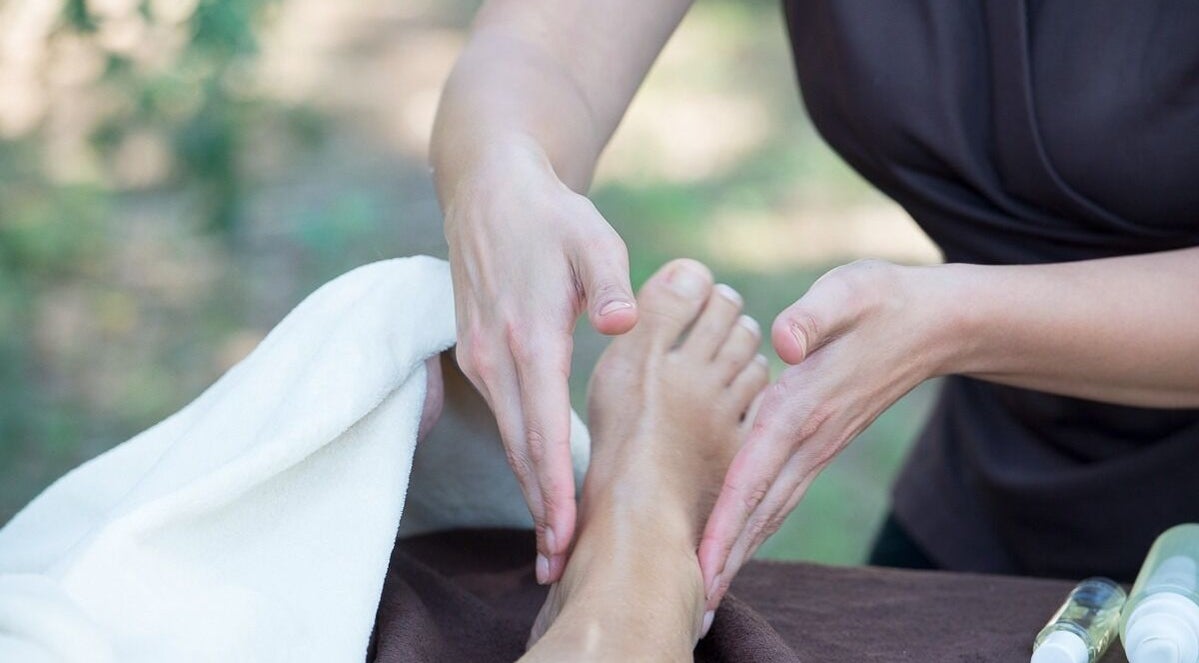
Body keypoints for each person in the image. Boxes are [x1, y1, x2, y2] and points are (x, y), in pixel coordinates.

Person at [429, 0, 1199, 634]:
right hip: (998, 470)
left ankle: (625, 593)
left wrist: (961, 321)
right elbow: (542, 48)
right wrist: (500, 167)